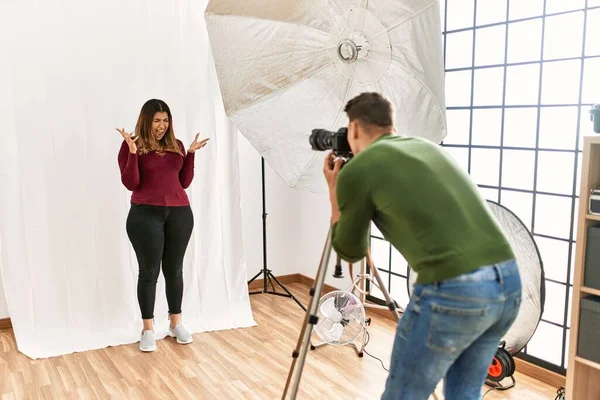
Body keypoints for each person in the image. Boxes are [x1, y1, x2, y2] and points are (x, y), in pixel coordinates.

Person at [322, 92, 522, 399]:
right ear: (390, 124)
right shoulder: (427, 149)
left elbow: (350, 250)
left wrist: (335, 192)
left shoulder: (360, 168)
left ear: (355, 130)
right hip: (509, 284)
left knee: (404, 394)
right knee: (464, 393)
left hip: (456, 291)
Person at [117, 99, 209, 352]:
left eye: (166, 120)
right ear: (146, 121)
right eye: (157, 120)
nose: (162, 125)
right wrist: (133, 154)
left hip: (180, 213)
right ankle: (147, 329)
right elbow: (131, 183)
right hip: (145, 215)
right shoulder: (131, 145)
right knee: (149, 273)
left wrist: (190, 153)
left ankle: (175, 323)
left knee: (174, 270)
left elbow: (184, 181)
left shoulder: (176, 145)